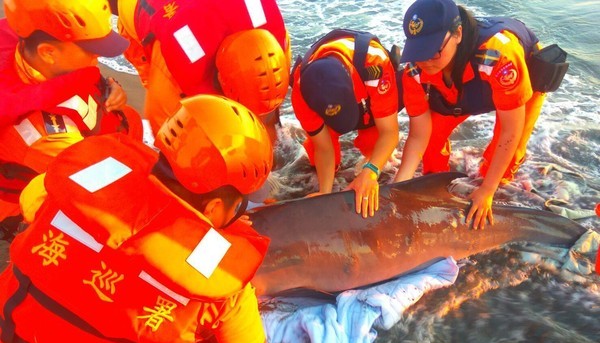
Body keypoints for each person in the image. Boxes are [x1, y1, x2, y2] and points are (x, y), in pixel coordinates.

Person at [0, 94, 279, 343]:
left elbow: (32, 201)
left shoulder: (72, 185)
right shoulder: (224, 288)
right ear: (212, 208)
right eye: (238, 208)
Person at [393, 0, 561, 230]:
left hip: (512, 79)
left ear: (458, 33)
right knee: (431, 147)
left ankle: (493, 191)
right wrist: (398, 189)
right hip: (459, 85)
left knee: (506, 159)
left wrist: (487, 190)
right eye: (418, 51)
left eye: (433, 51)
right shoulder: (415, 68)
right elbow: (418, 135)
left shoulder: (499, 55)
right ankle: (438, 183)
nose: (424, 61)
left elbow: (511, 132)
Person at [0, 0, 142, 240]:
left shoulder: (26, 44)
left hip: (100, 135)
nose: (97, 56)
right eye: (91, 49)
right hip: (27, 200)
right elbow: (99, 192)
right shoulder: (44, 133)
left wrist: (109, 86)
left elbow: (70, 81)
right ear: (48, 52)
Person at [112, 0, 290, 142]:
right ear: (220, 79)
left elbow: (269, 99)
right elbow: (166, 132)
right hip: (139, 11)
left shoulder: (275, 44)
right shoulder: (178, 61)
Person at [291, 29, 401, 218]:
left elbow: (390, 132)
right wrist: (324, 194)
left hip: (370, 103)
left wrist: (371, 171)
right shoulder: (301, 92)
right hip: (333, 102)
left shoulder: (374, 63)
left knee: (374, 148)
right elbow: (323, 148)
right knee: (318, 158)